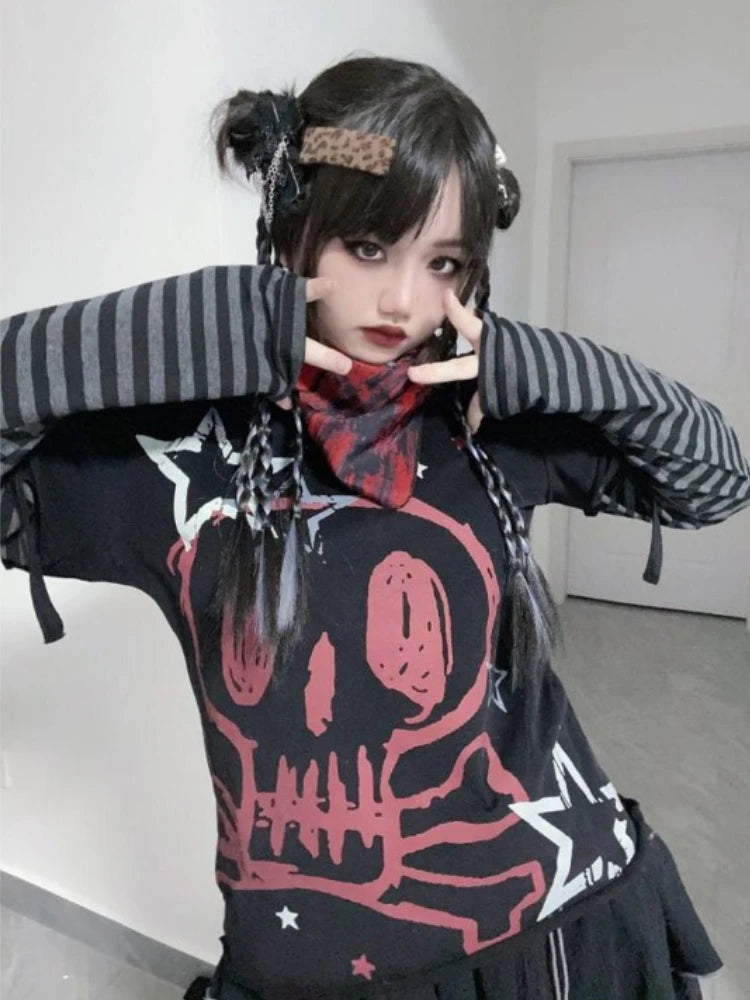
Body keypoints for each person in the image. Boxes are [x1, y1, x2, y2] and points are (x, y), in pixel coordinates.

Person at [2, 54, 748, 1000]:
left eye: (444, 264)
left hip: (566, 925)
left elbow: (716, 479)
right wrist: (208, 321)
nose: (403, 302)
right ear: (293, 232)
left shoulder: (490, 425)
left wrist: (544, 363)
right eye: (366, 247)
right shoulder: (180, 461)